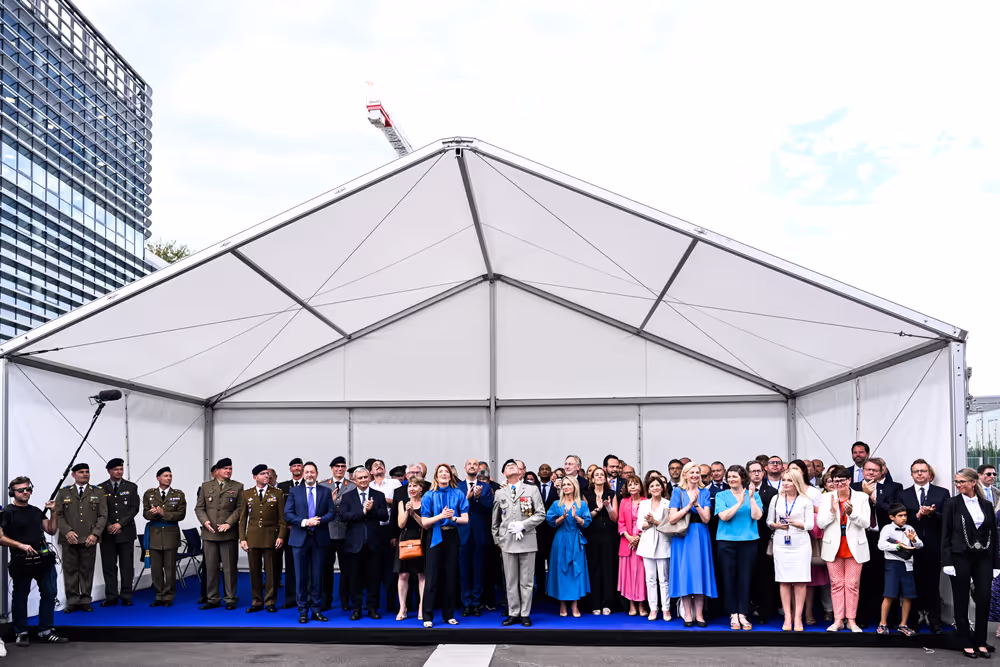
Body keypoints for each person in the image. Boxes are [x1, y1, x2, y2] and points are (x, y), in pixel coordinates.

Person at [0, 476, 67, 646]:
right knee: (20, 596)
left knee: (50, 593)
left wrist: (54, 511)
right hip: (21, 560)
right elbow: (0, 537)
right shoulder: (7, 512)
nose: (25, 492)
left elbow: (51, 530)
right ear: (12, 492)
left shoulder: (36, 511)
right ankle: (21, 632)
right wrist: (20, 545)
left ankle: (46, 630)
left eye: (28, 489)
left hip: (43, 558)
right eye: (21, 490)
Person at [943, 467, 999, 659]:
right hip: (959, 557)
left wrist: (996, 564)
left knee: (984, 598)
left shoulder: (986, 504)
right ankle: (965, 640)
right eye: (956, 482)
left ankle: (981, 641)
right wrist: (947, 561)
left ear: (973, 482)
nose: (958, 485)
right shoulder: (951, 503)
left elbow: (994, 535)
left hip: (983, 557)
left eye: (962, 482)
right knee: (961, 599)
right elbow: (946, 534)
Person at [816, 465, 870, 633]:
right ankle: (838, 619)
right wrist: (832, 513)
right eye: (835, 481)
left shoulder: (861, 497)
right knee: (837, 584)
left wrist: (852, 513)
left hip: (854, 546)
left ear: (849, 480)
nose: (838, 484)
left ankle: (852, 620)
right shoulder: (827, 498)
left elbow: (866, 523)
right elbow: (820, 524)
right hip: (834, 545)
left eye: (841, 481)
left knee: (852, 585)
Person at [492, 459, 546, 627]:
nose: (511, 467)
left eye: (514, 465)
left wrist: (523, 525)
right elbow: (495, 519)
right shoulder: (500, 493)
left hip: (527, 539)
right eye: (508, 466)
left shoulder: (532, 489)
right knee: (510, 579)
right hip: (507, 541)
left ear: (521, 471)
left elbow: (540, 513)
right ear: (503, 474)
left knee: (527, 580)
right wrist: (498, 539)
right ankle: (513, 612)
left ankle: (525, 613)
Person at [851, 458, 903, 627]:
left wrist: (873, 497)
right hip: (862, 537)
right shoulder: (855, 487)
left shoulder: (894, 487)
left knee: (888, 578)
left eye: (874, 470)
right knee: (863, 579)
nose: (870, 473)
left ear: (882, 472)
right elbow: (851, 510)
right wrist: (864, 495)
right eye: (867, 470)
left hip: (884, 538)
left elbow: (893, 510)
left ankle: (890, 619)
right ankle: (862, 618)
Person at [900, 458, 949, 634]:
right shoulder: (904, 494)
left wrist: (932, 513)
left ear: (929, 473)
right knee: (912, 584)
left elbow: (947, 519)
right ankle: (913, 621)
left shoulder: (942, 493)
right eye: (916, 471)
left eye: (923, 470)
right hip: (910, 548)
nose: (920, 474)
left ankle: (935, 621)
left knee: (933, 585)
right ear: (912, 474)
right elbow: (899, 520)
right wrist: (918, 516)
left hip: (933, 546)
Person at [284, 461, 336, 623]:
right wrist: (306, 522)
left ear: (317, 474)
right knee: (301, 577)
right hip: (300, 540)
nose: (309, 475)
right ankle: (302, 611)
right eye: (307, 472)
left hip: (319, 540)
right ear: (303, 474)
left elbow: (331, 513)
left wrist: (318, 521)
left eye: (312, 472)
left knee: (317, 577)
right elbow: (288, 514)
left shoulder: (325, 491)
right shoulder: (294, 491)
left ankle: (316, 610)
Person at [420, 463, 469, 627]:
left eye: (446, 472)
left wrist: (453, 517)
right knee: (432, 577)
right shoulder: (428, 495)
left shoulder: (458, 493)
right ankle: (427, 616)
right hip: (434, 535)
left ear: (450, 476)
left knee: (450, 576)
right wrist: (440, 516)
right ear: (436, 476)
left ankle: (448, 615)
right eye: (440, 472)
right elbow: (425, 522)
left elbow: (465, 519)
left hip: (452, 535)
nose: (444, 474)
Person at [55, 462, 107, 613]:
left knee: (86, 570)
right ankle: (72, 601)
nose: (85, 474)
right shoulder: (64, 492)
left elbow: (103, 515)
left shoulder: (98, 492)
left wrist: (95, 534)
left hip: (89, 538)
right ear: (73, 475)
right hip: (69, 538)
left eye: (87, 471)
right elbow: (58, 515)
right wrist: (67, 531)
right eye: (81, 472)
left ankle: (85, 600)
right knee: (70, 570)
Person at [667, 462, 715, 627]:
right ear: (685, 475)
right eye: (691, 472)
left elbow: (707, 519)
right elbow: (672, 518)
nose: (695, 475)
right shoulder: (677, 491)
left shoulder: (705, 492)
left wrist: (696, 504)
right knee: (685, 574)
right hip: (683, 537)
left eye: (697, 472)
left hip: (700, 535)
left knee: (699, 573)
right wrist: (688, 505)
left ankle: (699, 615)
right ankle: (688, 614)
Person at [715, 464, 762, 630]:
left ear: (743, 478)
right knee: (729, 578)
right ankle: (733, 614)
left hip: (748, 542)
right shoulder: (721, 495)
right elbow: (724, 516)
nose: (731, 479)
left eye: (734, 476)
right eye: (729, 477)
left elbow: (757, 515)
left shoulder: (753, 495)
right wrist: (740, 502)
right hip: (726, 542)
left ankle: (743, 613)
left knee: (745, 578)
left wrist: (749, 498)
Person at [767, 468, 814, 631]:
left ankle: (798, 617)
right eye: (784, 480)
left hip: (800, 543)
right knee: (784, 580)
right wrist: (777, 525)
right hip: (781, 542)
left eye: (789, 480)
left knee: (800, 581)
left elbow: (810, 525)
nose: (786, 483)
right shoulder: (776, 498)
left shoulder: (805, 501)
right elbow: (769, 521)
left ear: (797, 482)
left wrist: (795, 523)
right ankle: (787, 616)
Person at [195, 457, 244, 610]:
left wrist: (229, 523)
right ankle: (212, 598)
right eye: (225, 468)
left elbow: (240, 508)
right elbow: (199, 508)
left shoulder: (237, 486)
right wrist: (205, 522)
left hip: (228, 534)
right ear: (217, 471)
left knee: (229, 569)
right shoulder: (205, 486)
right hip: (209, 534)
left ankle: (230, 598)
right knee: (211, 568)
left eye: (230, 468)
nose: (228, 471)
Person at [340, 467, 389, 620]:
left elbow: (385, 516)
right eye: (359, 478)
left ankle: (373, 608)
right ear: (354, 480)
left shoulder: (378, 495)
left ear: (370, 477)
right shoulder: (347, 497)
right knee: (355, 579)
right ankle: (356, 609)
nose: (363, 480)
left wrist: (371, 509)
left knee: (374, 578)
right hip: (355, 545)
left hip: (374, 544)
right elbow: (343, 516)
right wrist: (363, 512)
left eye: (365, 477)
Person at [239, 464, 288, 613]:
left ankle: (270, 601)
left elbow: (282, 519)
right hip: (253, 538)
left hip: (270, 538)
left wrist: (281, 536)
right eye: (262, 474)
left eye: (267, 473)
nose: (266, 476)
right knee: (254, 572)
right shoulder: (247, 494)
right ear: (255, 477)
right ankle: (257, 601)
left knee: (271, 572)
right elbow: (242, 519)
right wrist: (242, 538)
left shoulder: (277, 493)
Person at [547, 475, 591, 616]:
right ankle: (562, 605)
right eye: (564, 485)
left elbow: (586, 522)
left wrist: (577, 517)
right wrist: (562, 518)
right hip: (561, 540)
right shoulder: (556, 504)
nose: (566, 487)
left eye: (569, 484)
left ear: (574, 487)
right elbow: (551, 522)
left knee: (575, 572)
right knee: (561, 572)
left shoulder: (581, 504)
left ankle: (575, 605)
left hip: (576, 540)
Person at [97, 457, 139, 608]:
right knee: (109, 566)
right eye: (116, 470)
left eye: (121, 469)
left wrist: (119, 524)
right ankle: (111, 596)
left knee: (126, 566)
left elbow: (134, 508)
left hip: (126, 532)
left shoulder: (132, 487)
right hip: (107, 533)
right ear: (109, 471)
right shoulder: (100, 488)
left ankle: (126, 595)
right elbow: (99, 510)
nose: (119, 472)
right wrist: (109, 525)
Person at [876, 502, 923, 636]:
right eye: (900, 515)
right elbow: (881, 545)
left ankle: (903, 625)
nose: (904, 518)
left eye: (905, 515)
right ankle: (883, 623)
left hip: (908, 565)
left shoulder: (909, 527)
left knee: (908, 596)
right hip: (893, 564)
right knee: (889, 594)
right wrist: (899, 547)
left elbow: (919, 545)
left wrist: (914, 540)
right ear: (892, 517)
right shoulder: (887, 529)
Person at [142, 467, 186, 607]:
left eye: (170, 476)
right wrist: (153, 513)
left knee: (169, 568)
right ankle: (159, 595)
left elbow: (181, 515)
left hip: (170, 534)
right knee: (156, 569)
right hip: (154, 535)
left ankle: (168, 596)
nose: (169, 478)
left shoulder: (178, 494)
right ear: (158, 478)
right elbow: (145, 514)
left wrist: (164, 513)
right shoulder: (149, 494)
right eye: (166, 476)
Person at [458, 457, 494, 617]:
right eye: (469, 464)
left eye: (475, 464)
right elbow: (456, 509)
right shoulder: (457, 487)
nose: (472, 466)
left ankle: (476, 603)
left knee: (479, 569)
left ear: (479, 468)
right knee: (464, 570)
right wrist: (468, 497)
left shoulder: (486, 487)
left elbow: (490, 508)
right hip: (463, 533)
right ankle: (466, 603)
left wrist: (478, 498)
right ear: (465, 468)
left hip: (480, 533)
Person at [320, 456, 355, 612]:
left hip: (346, 533)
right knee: (326, 569)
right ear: (331, 468)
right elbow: (318, 510)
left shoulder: (352, 486)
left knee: (346, 569)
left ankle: (345, 599)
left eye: (342, 466)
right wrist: (332, 502)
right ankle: (326, 599)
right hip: (327, 532)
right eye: (337, 466)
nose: (340, 469)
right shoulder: (322, 486)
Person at [584, 466, 619, 615]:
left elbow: (615, 518)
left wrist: (609, 507)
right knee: (594, 568)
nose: (599, 477)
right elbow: (586, 517)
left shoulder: (611, 493)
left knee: (608, 568)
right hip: (592, 535)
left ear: (605, 478)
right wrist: (598, 509)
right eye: (596, 475)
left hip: (609, 536)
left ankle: (607, 603)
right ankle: (595, 603)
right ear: (592, 478)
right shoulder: (586, 494)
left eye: (601, 475)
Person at [747, 460, 778, 625]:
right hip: (745, 538)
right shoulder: (742, 490)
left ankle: (764, 611)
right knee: (747, 575)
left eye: (759, 471)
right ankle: (747, 608)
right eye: (753, 471)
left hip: (763, 538)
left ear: (763, 473)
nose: (756, 474)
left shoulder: (771, 492)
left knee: (764, 576)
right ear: (748, 473)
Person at [395, 476, 430, 620]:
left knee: (421, 575)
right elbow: (401, 524)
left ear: (421, 488)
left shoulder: (426, 502)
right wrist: (406, 512)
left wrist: (414, 514)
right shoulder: (403, 503)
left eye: (415, 486)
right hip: (405, 540)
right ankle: (403, 608)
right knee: (403, 575)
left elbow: (425, 525)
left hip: (421, 539)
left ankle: (422, 607)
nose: (412, 489)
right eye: (410, 486)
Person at [637, 476, 670, 621]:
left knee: (664, 579)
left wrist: (654, 521)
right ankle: (653, 609)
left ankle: (666, 609)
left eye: (658, 485)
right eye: (652, 486)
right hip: (647, 543)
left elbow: (669, 525)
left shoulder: (668, 504)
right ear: (648, 489)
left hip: (663, 543)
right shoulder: (644, 504)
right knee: (650, 579)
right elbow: (639, 524)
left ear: (662, 488)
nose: (655, 488)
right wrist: (648, 524)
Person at [617, 473, 648, 616]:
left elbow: (650, 523)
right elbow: (620, 523)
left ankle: (642, 604)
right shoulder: (624, 502)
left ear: (640, 486)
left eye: (635, 483)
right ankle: (631, 605)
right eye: (630, 484)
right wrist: (630, 538)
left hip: (644, 538)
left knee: (642, 573)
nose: (633, 486)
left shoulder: (647, 501)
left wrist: (639, 537)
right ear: (627, 488)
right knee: (628, 574)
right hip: (627, 541)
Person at [277, 457, 305, 609]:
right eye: (294, 466)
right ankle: (290, 598)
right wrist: (287, 524)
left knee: (306, 566)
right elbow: (280, 509)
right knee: (290, 566)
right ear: (290, 469)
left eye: (299, 466)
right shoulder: (283, 487)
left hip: (305, 530)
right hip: (288, 532)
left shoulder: (309, 485)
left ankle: (305, 597)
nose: (296, 468)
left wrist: (299, 524)